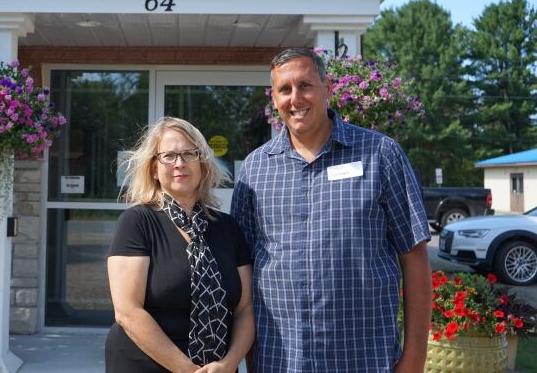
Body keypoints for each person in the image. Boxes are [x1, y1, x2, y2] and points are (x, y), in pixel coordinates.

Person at [231, 48, 432, 373]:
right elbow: (244, 271)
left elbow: (415, 255)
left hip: (364, 360)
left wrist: (413, 360)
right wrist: (251, 357)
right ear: (274, 98)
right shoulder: (256, 169)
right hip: (281, 362)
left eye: (305, 85)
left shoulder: (381, 154)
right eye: (284, 89)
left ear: (328, 87)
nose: (295, 98)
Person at [106, 117, 255, 373]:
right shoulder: (136, 222)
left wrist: (229, 363)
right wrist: (186, 369)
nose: (180, 163)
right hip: (144, 364)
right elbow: (127, 311)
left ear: (203, 164)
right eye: (169, 156)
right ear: (153, 168)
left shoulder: (227, 228)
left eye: (189, 154)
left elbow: (245, 308)